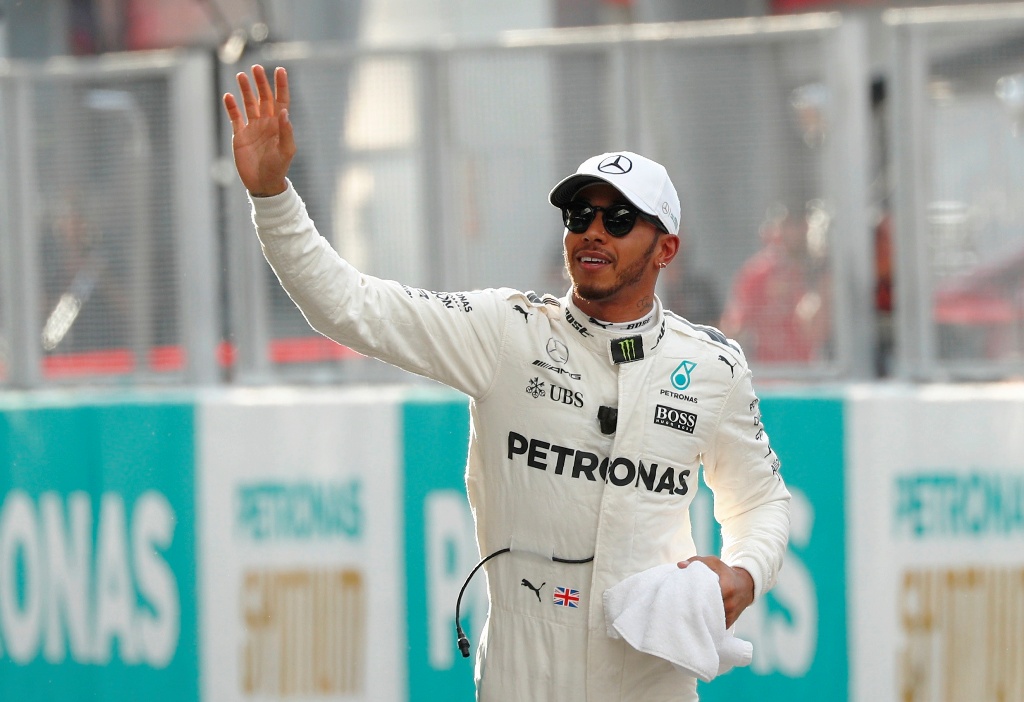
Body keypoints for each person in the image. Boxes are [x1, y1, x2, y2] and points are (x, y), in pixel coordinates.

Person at [224, 64, 790, 702]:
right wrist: (272, 197)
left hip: (650, 679)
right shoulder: (505, 332)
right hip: (522, 676)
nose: (593, 230)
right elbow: (349, 305)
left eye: (620, 219)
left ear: (666, 249)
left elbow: (761, 502)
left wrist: (745, 573)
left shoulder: (713, 368)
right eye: (580, 214)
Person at [719, 203, 831, 364]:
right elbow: (734, 325)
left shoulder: (819, 272)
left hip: (810, 369)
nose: (795, 233)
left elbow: (817, 330)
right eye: (788, 225)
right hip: (769, 370)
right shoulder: (758, 273)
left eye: (799, 225)